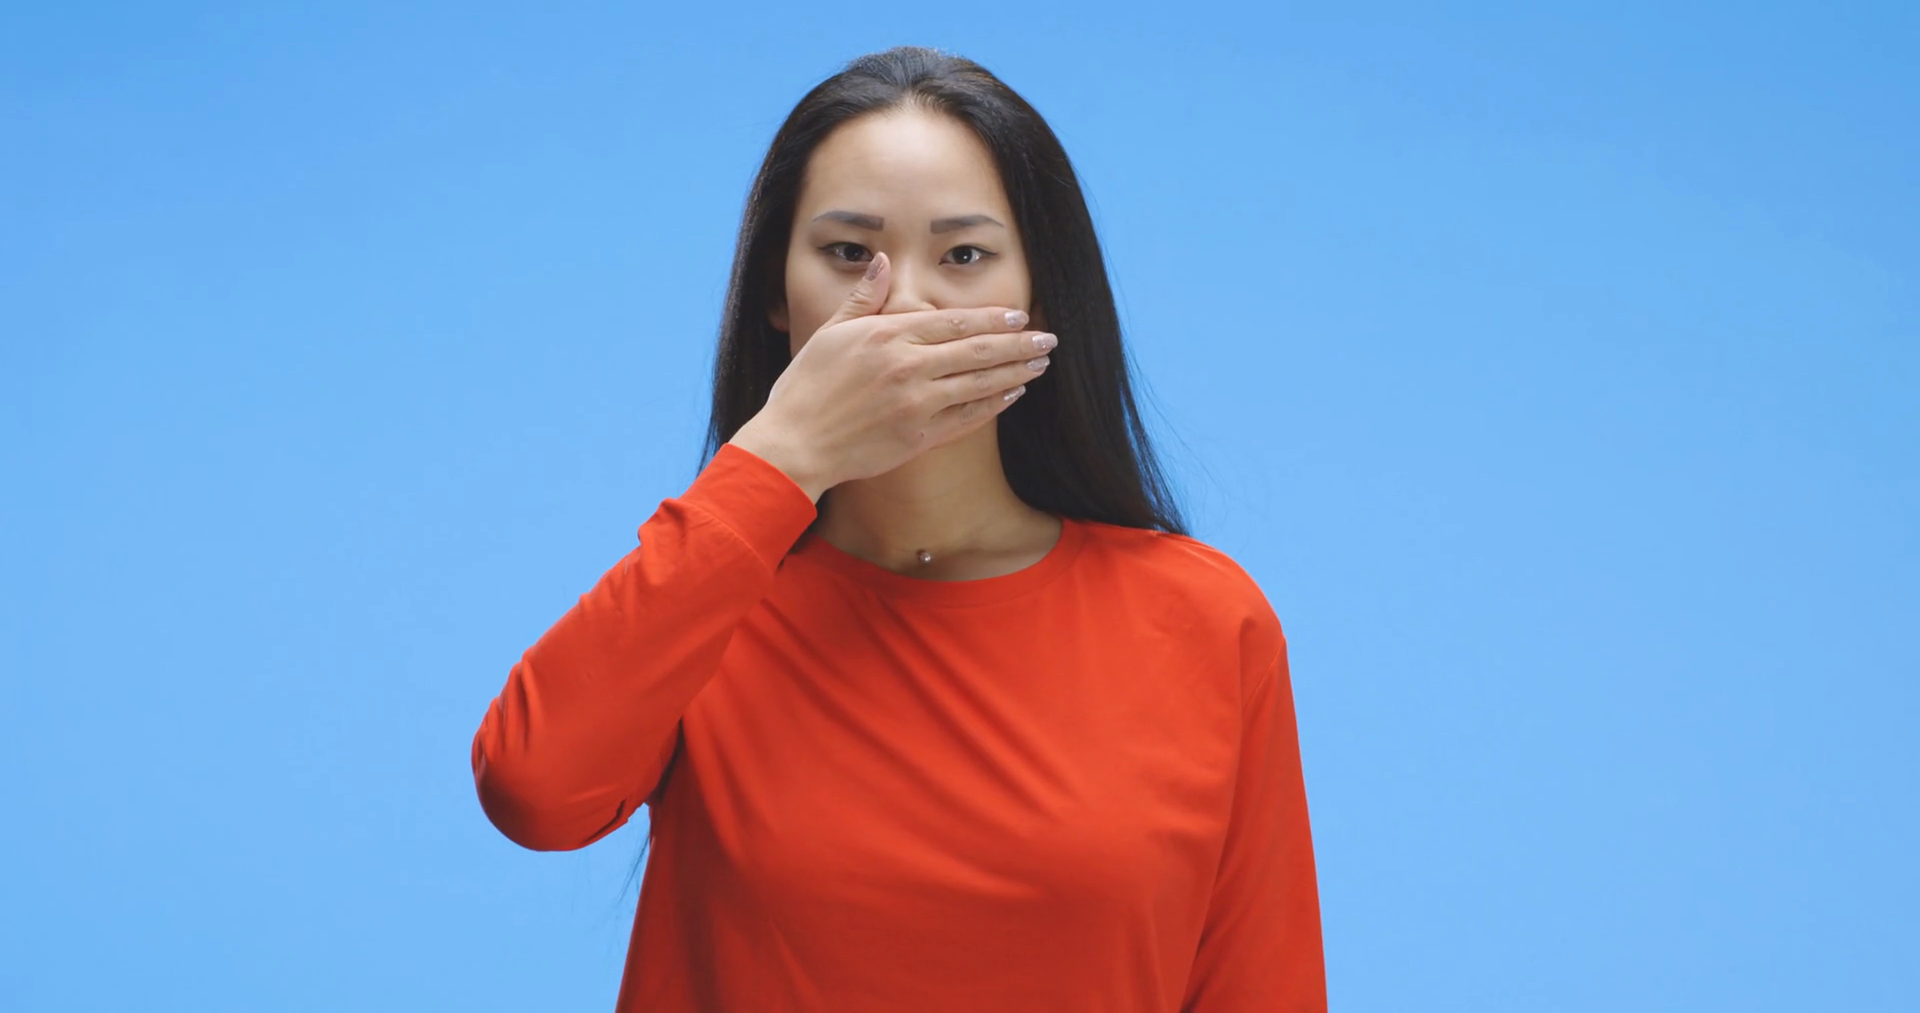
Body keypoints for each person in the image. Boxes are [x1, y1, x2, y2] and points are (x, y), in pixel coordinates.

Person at [470, 45, 1326, 1012]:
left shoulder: (1202, 619)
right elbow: (533, 791)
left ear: (1040, 296)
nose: (904, 304)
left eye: (963, 256)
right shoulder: (698, 604)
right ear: (774, 292)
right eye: (849, 254)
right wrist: (781, 455)